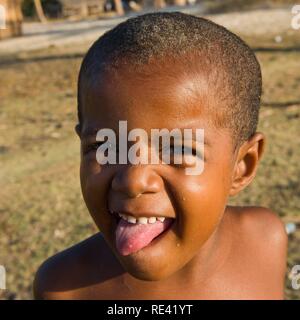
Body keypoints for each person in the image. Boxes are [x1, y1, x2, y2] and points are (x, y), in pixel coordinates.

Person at [33, 12, 287, 299]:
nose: (134, 179)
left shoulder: (265, 240)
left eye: (178, 150)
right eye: (106, 147)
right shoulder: (64, 288)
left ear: (242, 166)